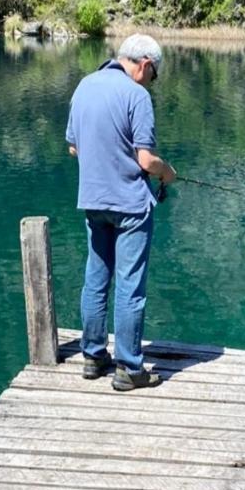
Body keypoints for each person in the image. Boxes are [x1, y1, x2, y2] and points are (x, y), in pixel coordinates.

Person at [65, 33, 177, 391]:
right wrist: (167, 172)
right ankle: (129, 368)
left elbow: (73, 148)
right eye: (153, 74)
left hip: (92, 201)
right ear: (144, 64)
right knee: (130, 286)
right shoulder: (137, 95)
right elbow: (145, 159)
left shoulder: (84, 85)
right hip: (130, 206)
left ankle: (94, 357)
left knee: (96, 279)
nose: (151, 81)